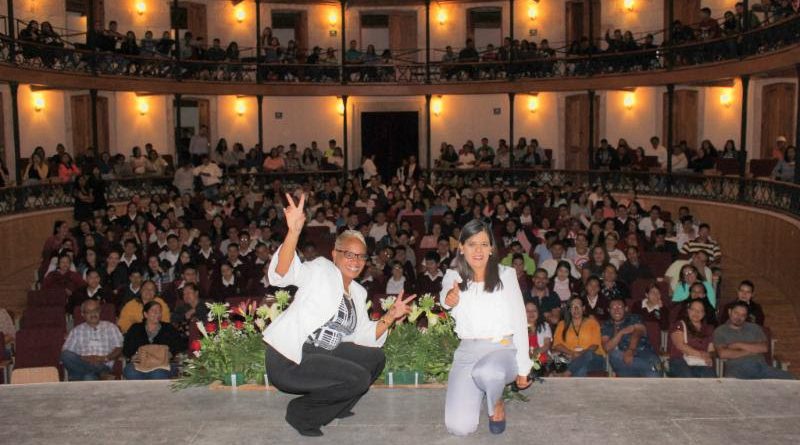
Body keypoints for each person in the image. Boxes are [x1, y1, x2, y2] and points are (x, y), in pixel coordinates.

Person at [263, 193, 414, 437]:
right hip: (290, 356)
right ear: (335, 254)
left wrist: (390, 316)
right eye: (349, 254)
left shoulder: (358, 292)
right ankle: (301, 413)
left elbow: (364, 335)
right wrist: (293, 232)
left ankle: (337, 406)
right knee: (358, 378)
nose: (355, 261)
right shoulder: (320, 269)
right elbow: (283, 274)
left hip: (320, 353)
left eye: (361, 256)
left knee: (375, 359)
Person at [439, 219, 531, 436]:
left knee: (488, 372)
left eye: (483, 244)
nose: (478, 250)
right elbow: (445, 297)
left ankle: (495, 401)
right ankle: (486, 390)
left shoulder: (506, 275)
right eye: (471, 244)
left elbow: (519, 320)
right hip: (467, 352)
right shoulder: (453, 276)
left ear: (491, 248)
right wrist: (449, 298)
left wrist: (524, 368)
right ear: (461, 247)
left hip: (502, 349)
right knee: (459, 427)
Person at [714, 302, 794, 380]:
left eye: (743, 315)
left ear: (746, 316)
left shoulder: (754, 328)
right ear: (729, 312)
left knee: (790, 379)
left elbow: (764, 348)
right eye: (736, 313)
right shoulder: (720, 331)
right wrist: (750, 351)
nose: (739, 317)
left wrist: (738, 345)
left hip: (760, 368)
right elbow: (723, 353)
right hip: (736, 369)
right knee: (733, 388)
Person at [61, 300, 123, 381]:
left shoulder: (111, 327)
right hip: (82, 363)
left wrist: (104, 358)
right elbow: (66, 353)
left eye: (95, 310)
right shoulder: (76, 331)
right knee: (66, 355)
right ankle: (100, 374)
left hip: (103, 364)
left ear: (99, 311)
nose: (93, 314)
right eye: (88, 312)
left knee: (88, 377)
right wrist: (84, 359)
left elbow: (119, 348)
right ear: (83, 314)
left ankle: (98, 372)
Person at [122, 301, 186, 380]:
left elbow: (179, 345)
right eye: (154, 311)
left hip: (162, 364)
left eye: (159, 311)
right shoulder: (135, 328)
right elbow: (126, 347)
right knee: (131, 373)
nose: (157, 313)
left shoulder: (168, 328)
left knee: (158, 374)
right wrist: (133, 355)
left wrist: (170, 353)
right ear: (145, 314)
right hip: (140, 363)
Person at [601, 297, 661, 377]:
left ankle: (650, 368)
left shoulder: (635, 318)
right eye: (613, 308)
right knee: (614, 355)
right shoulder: (607, 325)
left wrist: (631, 350)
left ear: (626, 308)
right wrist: (621, 332)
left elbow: (638, 332)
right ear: (608, 310)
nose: (616, 310)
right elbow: (607, 347)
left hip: (643, 352)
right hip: (622, 357)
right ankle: (652, 367)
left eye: (620, 307)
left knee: (653, 370)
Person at [552, 296, 606, 377]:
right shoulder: (562, 324)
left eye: (578, 306)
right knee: (581, 368)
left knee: (589, 353)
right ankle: (575, 386)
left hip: (594, 359)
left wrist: (580, 354)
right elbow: (557, 344)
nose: (576, 309)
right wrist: (572, 353)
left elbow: (594, 346)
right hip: (570, 358)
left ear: (583, 308)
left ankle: (566, 373)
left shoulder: (592, 323)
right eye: (573, 306)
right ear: (569, 310)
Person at [667, 300, 716, 378]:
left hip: (701, 362)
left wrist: (709, 355)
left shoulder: (709, 329)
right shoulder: (679, 325)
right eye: (693, 309)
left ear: (704, 314)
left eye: (700, 311)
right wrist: (701, 354)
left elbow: (711, 350)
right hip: (679, 360)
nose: (696, 313)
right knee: (688, 377)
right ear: (688, 311)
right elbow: (680, 345)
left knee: (710, 377)